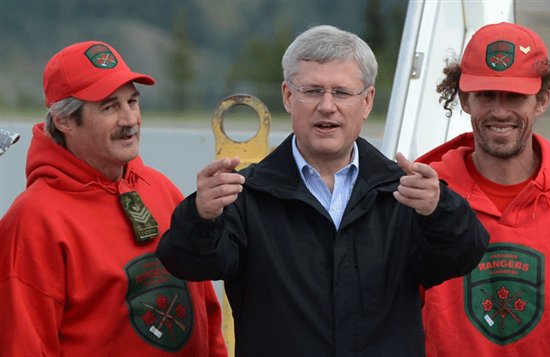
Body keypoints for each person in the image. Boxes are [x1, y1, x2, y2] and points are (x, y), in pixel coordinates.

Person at [156, 25, 489, 356]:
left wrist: (440, 208)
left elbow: (462, 256)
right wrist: (201, 215)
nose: (327, 106)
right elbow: (188, 264)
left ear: (368, 101)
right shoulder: (246, 194)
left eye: (342, 93)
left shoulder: (404, 192)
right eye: (312, 91)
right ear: (288, 96)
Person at [0, 41, 227, 356]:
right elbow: (24, 345)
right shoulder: (33, 220)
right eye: (109, 106)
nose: (129, 119)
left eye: (133, 101)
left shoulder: (161, 188)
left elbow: (207, 314)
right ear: (64, 121)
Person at [415, 22, 550, 356]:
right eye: (486, 95)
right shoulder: (426, 196)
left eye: (515, 96)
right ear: (464, 99)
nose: (500, 112)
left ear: (542, 100)